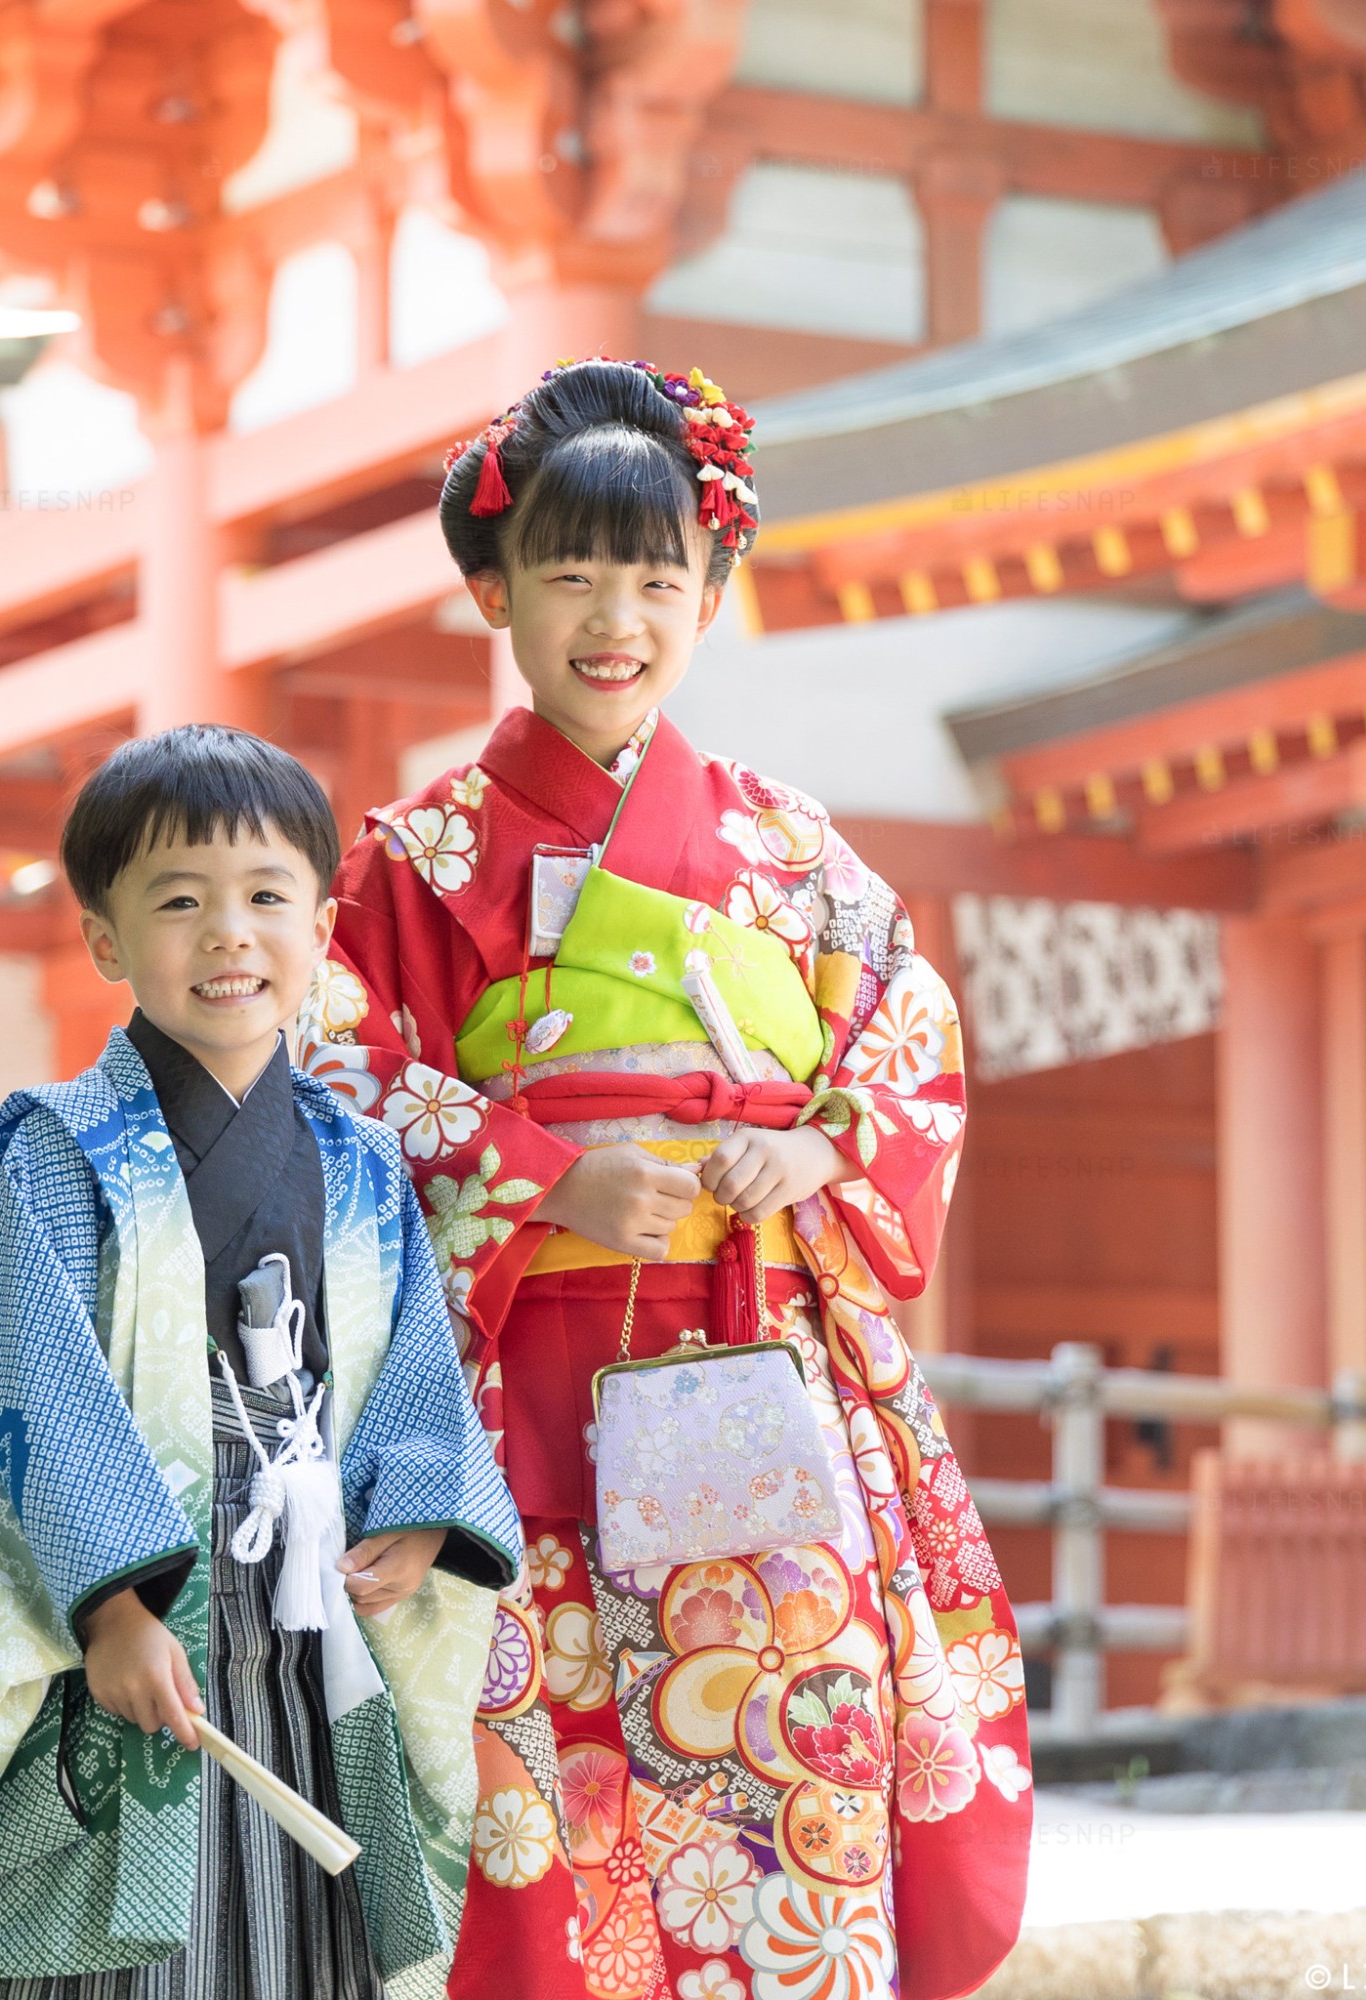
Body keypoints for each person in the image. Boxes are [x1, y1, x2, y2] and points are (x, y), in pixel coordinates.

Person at [305, 359, 1033, 2000]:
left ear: (712, 593)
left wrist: (822, 1140)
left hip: (753, 1380)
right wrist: (536, 1173)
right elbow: (329, 1093)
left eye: (656, 576)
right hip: (507, 1412)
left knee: (782, 1795)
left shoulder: (790, 849)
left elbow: (907, 1033)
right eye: (569, 573)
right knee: (524, 1829)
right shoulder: (412, 863)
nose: (612, 615)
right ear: (494, 592)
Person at [0, 727, 522, 2000]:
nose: (228, 934)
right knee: (112, 1928)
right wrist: (109, 1605)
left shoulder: (360, 1159)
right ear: (104, 941)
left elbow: (414, 1368)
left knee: (299, 1932)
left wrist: (418, 1518)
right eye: (178, 901)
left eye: (267, 897)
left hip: (306, 1611)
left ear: (320, 929)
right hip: (124, 1612)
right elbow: (17, 1384)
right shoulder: (47, 1149)